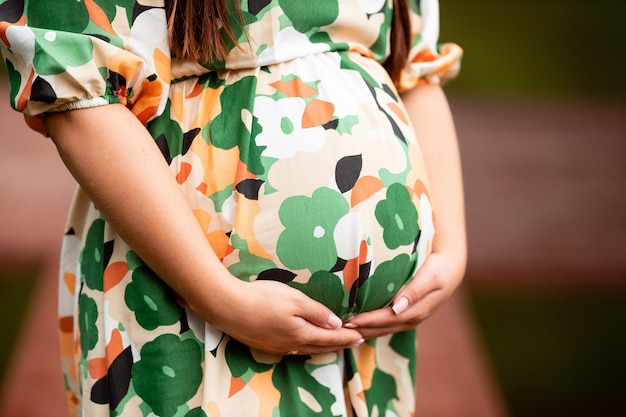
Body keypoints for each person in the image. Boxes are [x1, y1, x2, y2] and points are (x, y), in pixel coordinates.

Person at [0, 0, 465, 415]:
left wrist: (451, 249)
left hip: (366, 351)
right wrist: (222, 299)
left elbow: (415, 68)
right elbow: (75, 87)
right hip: (183, 306)